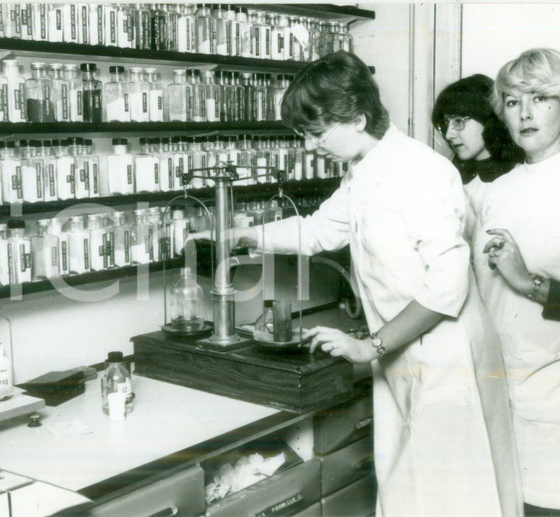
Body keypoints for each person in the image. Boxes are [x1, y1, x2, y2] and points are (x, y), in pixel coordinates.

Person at [211, 51, 522, 516]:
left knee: (454, 499)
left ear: (357, 119)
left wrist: (371, 346)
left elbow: (446, 287)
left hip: (446, 355)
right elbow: (318, 230)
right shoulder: (365, 170)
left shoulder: (421, 172)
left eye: (316, 134)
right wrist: (241, 236)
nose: (310, 147)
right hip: (405, 349)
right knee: (407, 493)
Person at [476, 48, 560, 514]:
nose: (525, 112)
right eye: (513, 102)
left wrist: (527, 282)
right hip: (499, 386)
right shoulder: (498, 191)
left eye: (539, 98)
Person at [432, 74, 524, 240]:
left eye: (458, 121)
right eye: (445, 124)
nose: (449, 134)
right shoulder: (454, 181)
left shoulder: (520, 180)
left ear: (487, 118)